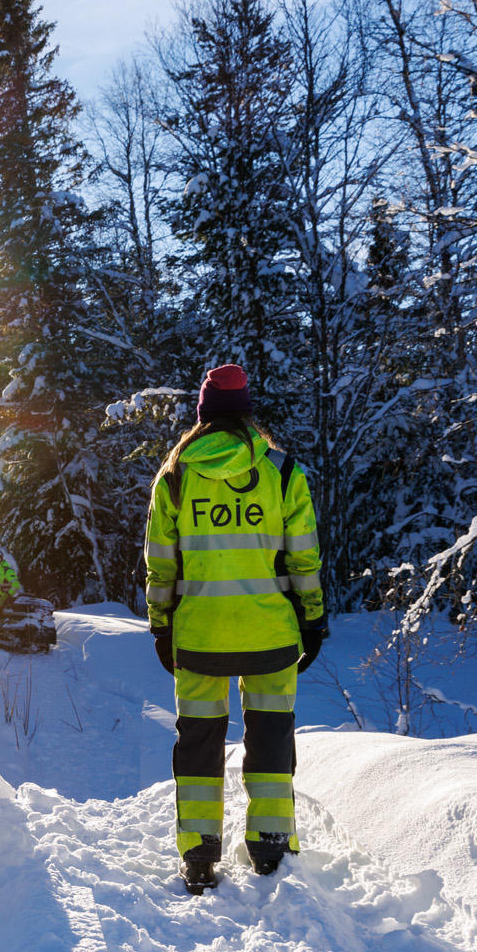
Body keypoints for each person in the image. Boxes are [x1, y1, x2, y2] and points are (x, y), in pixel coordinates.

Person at [144, 365, 327, 893]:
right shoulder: (283, 472)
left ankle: (199, 856)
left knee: (199, 743)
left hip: (199, 637)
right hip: (270, 635)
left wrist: (161, 626)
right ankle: (270, 846)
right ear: (247, 412)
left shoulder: (175, 476)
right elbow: (303, 559)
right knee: (270, 736)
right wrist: (312, 619)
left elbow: (162, 565)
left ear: (203, 415)